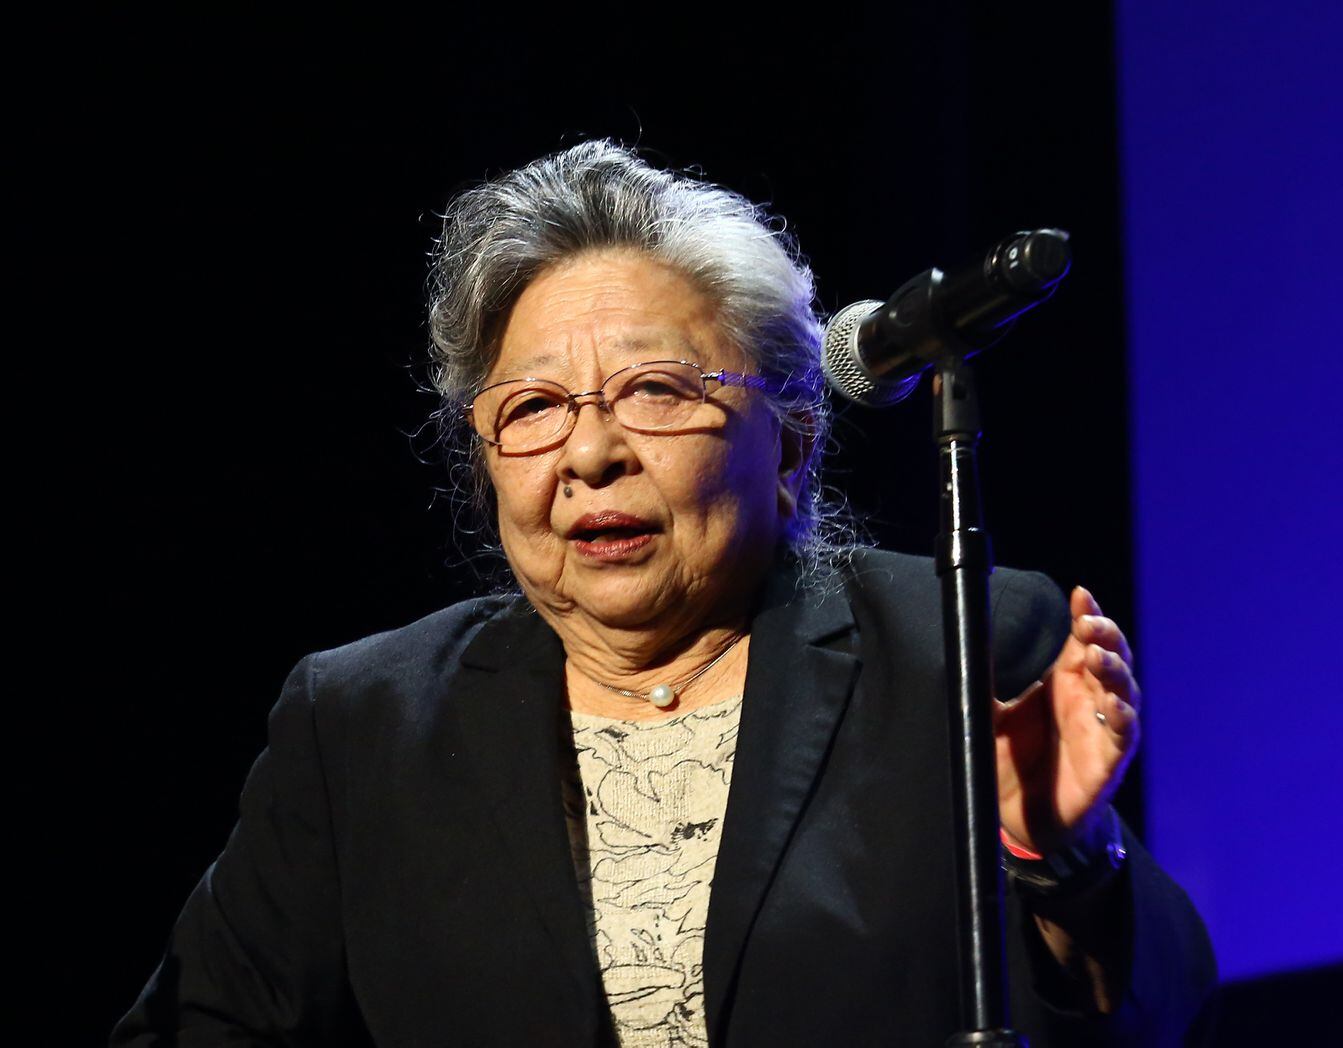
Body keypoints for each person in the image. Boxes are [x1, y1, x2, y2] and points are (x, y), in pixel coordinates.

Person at [113, 140, 1215, 1047]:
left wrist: (1061, 861)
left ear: (790, 442)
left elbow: (1165, 1021)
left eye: (654, 389)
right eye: (533, 406)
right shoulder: (365, 724)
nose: (589, 452)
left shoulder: (956, 646)